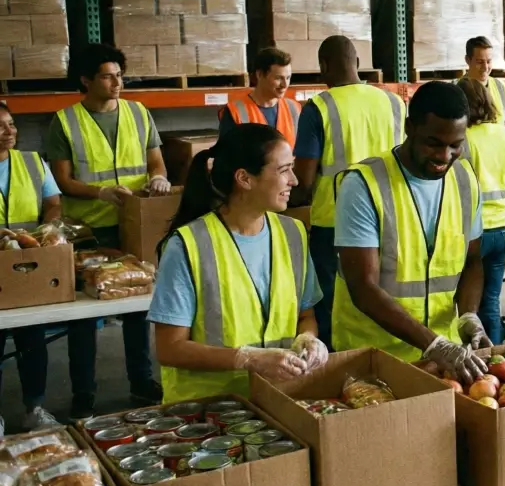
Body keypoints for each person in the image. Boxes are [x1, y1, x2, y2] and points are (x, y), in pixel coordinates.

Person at [333, 81, 487, 486]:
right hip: (372, 364)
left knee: (432, 479)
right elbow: (363, 285)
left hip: (439, 362)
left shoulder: (463, 180)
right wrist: (434, 341)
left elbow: (472, 262)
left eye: (454, 145)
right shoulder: (364, 184)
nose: (444, 156)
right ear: (409, 129)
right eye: (433, 144)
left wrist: (467, 316)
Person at [149, 124, 327, 403]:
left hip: (277, 401)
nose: (293, 180)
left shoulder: (293, 233)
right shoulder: (188, 245)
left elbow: (306, 316)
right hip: (208, 411)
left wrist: (308, 338)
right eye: (283, 170)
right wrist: (245, 359)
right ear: (244, 178)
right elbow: (170, 348)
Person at [46, 43, 165, 416]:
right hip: (89, 232)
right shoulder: (64, 121)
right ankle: (84, 392)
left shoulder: (138, 113)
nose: (117, 83)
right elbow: (62, 180)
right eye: (107, 76)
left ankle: (142, 381)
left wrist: (159, 179)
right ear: (85, 80)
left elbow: (156, 162)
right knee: (83, 316)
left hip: (134, 226)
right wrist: (100, 192)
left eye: (119, 75)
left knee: (137, 307)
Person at [290, 35, 407, 346]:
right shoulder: (394, 102)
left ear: (323, 67)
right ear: (357, 64)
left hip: (334, 223)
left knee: (330, 300)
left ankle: (334, 360)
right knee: (385, 290)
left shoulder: (319, 107)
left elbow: (303, 179)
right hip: (393, 214)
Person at [0, 100, 62, 432]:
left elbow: (53, 203)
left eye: (11, 124)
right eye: (1, 127)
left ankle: (34, 407)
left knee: (32, 339)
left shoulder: (32, 162)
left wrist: (46, 228)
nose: (9, 132)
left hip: (29, 262)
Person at [457, 78, 505, 344]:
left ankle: (468, 354)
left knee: (465, 304)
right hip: (503, 226)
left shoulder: (463, 140)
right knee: (491, 300)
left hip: (473, 229)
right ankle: (493, 358)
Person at [220, 47, 298, 142]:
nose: (285, 85)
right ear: (260, 75)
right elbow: (226, 154)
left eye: (288, 78)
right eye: (278, 78)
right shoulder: (235, 112)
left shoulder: (294, 109)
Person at [465, 36, 505, 127]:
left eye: (489, 61)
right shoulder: (457, 89)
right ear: (468, 60)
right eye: (480, 62)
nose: (485, 67)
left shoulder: (500, 87)